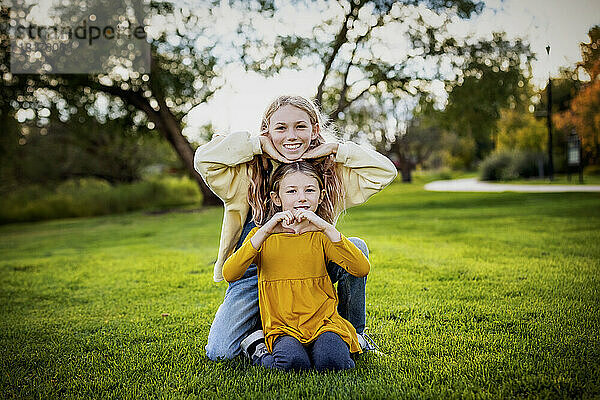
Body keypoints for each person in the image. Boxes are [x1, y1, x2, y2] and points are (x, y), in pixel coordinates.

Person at [194, 95, 397, 361]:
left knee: (356, 247)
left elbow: (385, 172)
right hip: (254, 266)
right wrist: (257, 144)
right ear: (267, 130)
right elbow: (203, 160)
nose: (291, 135)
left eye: (300, 126)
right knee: (221, 352)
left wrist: (336, 149)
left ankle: (352, 334)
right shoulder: (247, 169)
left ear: (314, 130)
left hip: (310, 262)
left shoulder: (330, 172)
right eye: (281, 128)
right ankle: (260, 334)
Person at [222, 162, 370, 371]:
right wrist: (264, 232)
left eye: (310, 190)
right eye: (291, 191)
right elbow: (230, 273)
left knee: (332, 362)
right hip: (282, 327)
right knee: (293, 363)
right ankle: (257, 345)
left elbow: (361, 268)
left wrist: (325, 226)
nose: (302, 197)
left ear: (320, 196)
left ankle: (351, 340)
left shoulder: (321, 235)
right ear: (276, 198)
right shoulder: (262, 235)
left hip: (323, 323)